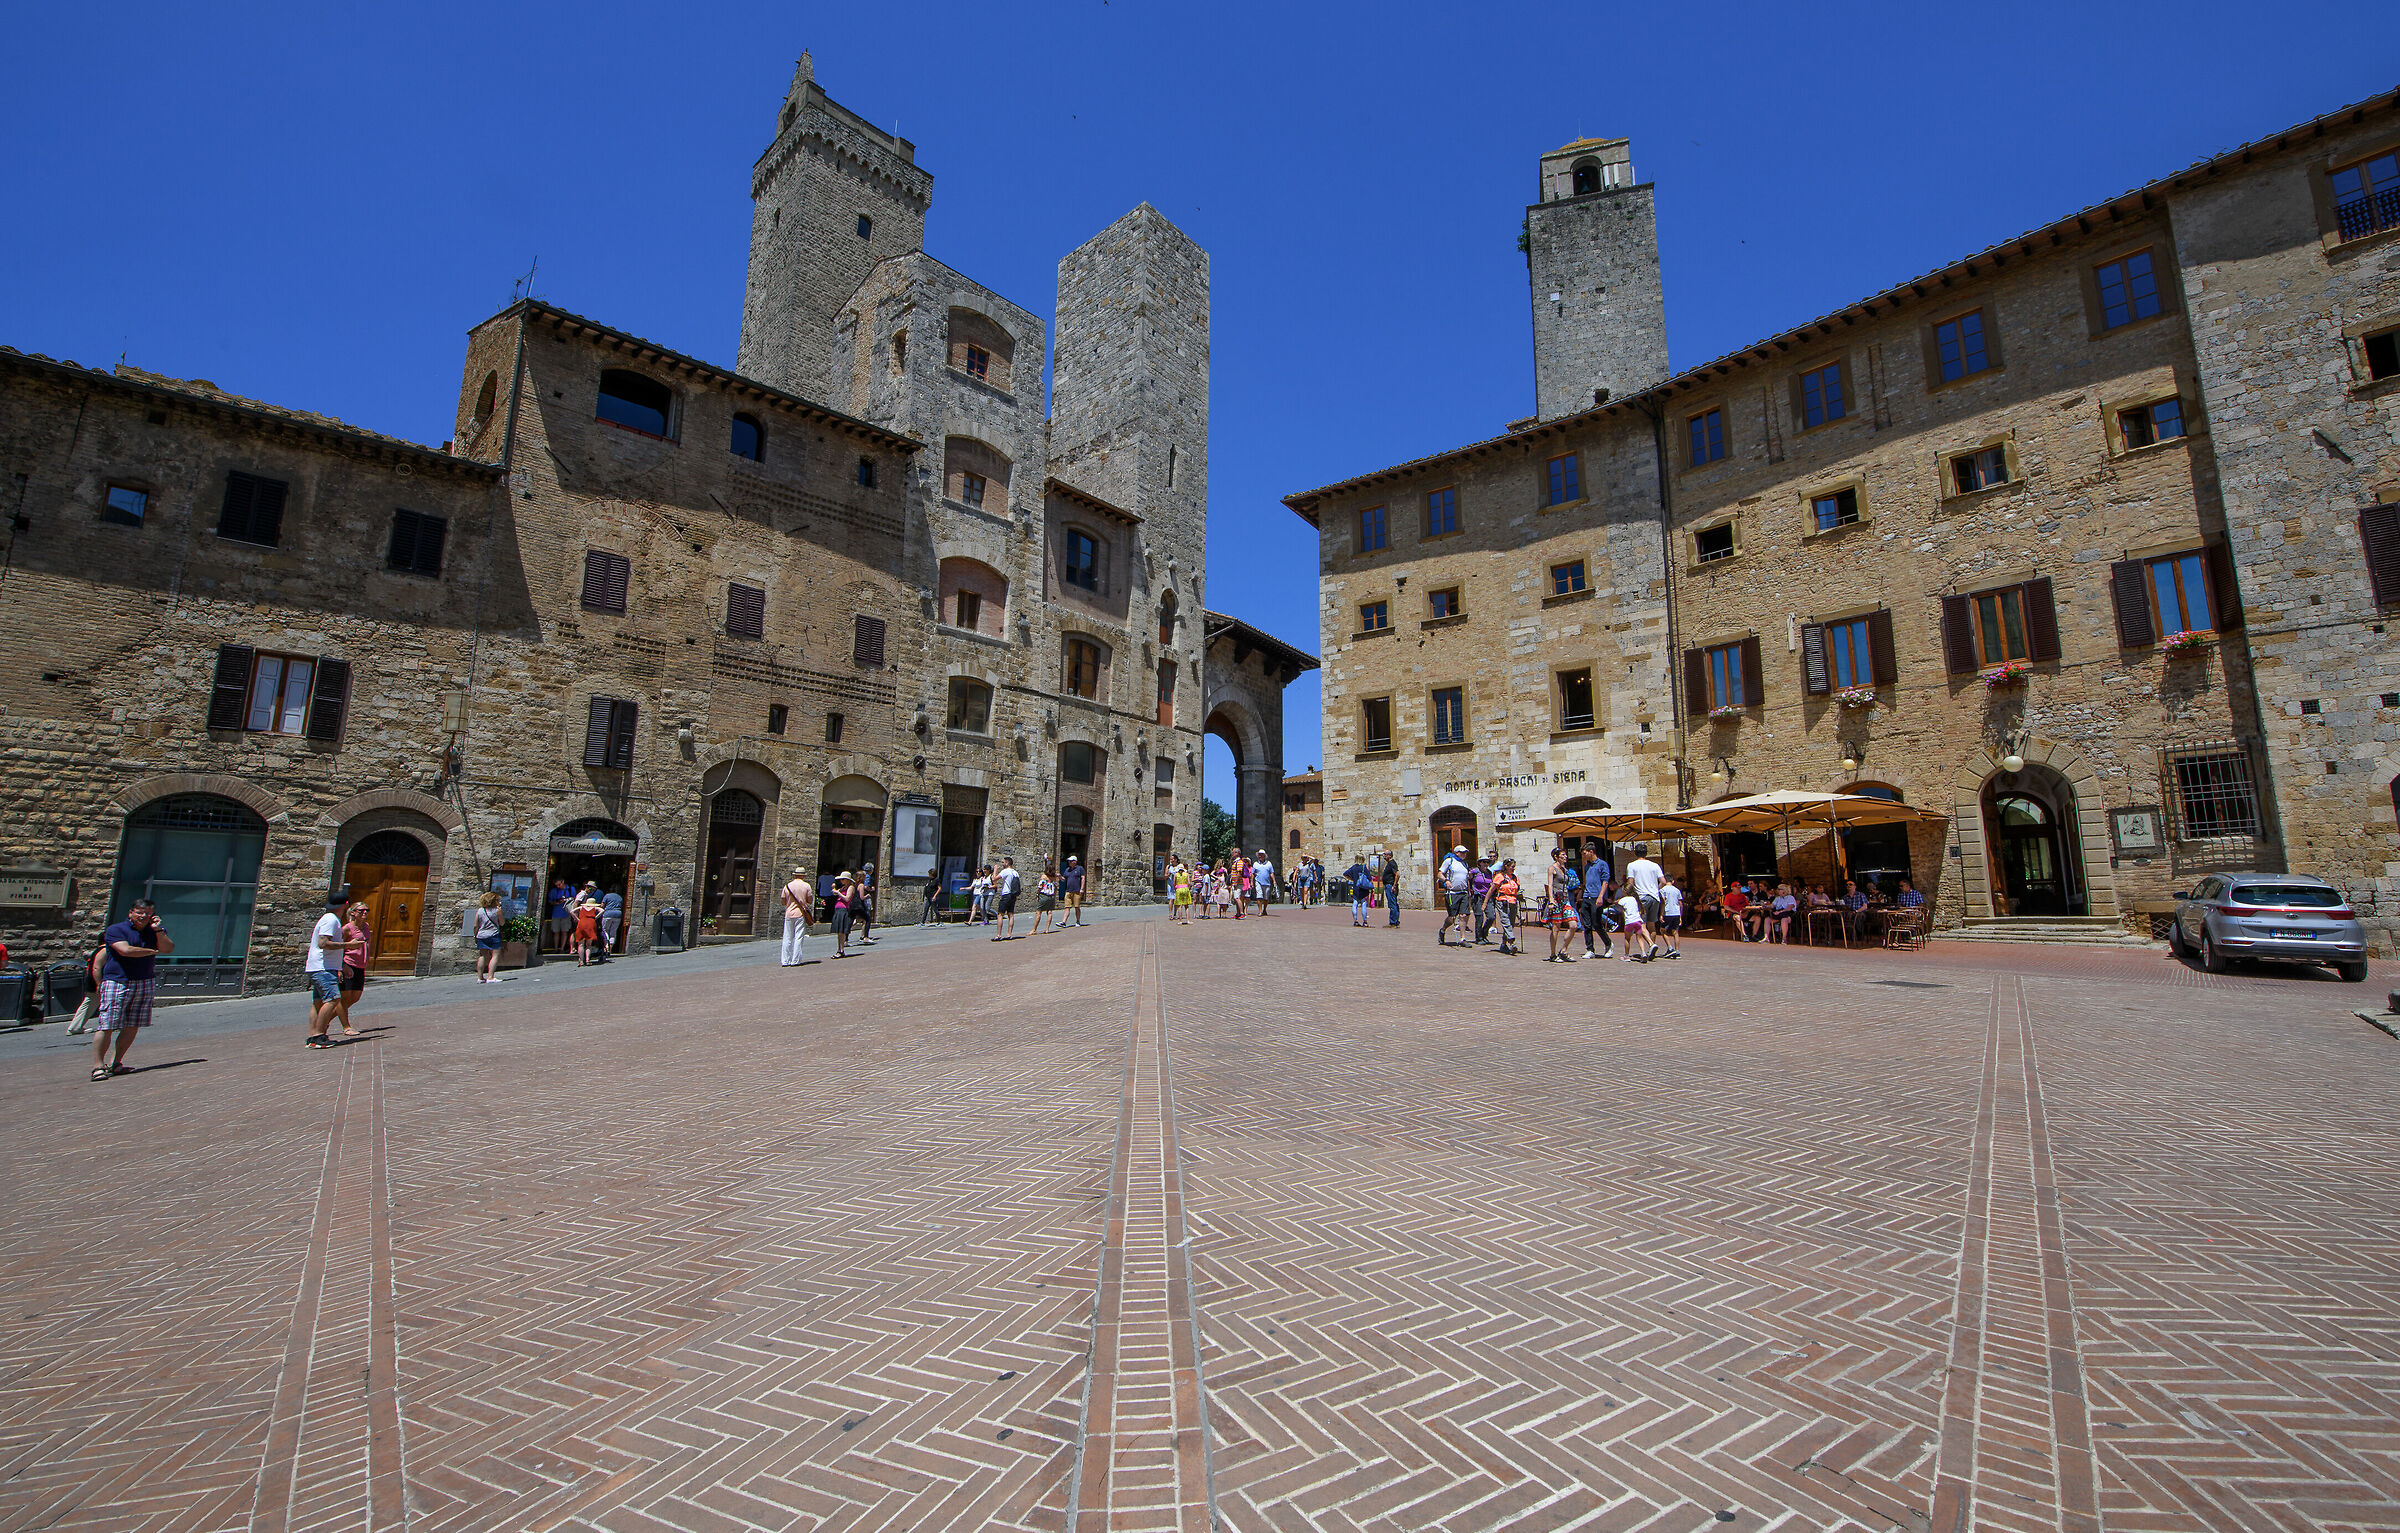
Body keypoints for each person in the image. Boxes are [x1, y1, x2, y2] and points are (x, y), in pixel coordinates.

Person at [90, 897, 171, 1080]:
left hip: (144, 980)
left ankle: (115, 1063)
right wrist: (151, 952)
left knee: (132, 1024)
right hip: (117, 981)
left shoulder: (154, 932)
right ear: (131, 913)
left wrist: (158, 930)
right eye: (140, 912)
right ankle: (97, 1066)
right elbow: (125, 950)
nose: (143, 916)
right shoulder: (116, 930)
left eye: (148, 913)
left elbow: (168, 948)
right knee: (107, 1024)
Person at [304, 894, 347, 1047]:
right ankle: (318, 1036)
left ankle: (312, 1037)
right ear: (345, 905)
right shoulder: (331, 919)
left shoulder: (328, 918)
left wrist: (341, 966)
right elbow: (323, 943)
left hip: (319, 966)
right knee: (332, 999)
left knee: (318, 1002)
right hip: (323, 968)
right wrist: (348, 945)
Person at [335, 900, 371, 1038]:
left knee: (355, 997)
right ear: (353, 912)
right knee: (344, 998)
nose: (365, 913)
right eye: (362, 910)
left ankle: (326, 1018)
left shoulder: (366, 927)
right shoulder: (347, 929)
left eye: (367, 910)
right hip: (348, 964)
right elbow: (338, 947)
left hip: (360, 966)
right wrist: (341, 966)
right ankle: (346, 1027)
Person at [1543, 847, 1581, 962]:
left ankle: (1563, 950)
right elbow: (1550, 885)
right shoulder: (1552, 868)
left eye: (1565, 855)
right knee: (1556, 927)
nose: (1565, 857)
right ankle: (1553, 954)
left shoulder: (1564, 869)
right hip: (1556, 899)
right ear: (1556, 857)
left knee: (1573, 925)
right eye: (1562, 855)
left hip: (1565, 899)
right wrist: (1550, 900)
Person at [1626, 844, 1665, 943]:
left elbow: (1630, 883)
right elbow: (1663, 881)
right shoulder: (1655, 865)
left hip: (1641, 897)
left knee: (1641, 924)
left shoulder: (1632, 865)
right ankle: (1652, 948)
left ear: (1635, 853)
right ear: (1646, 853)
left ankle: (1651, 945)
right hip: (1654, 897)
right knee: (1651, 925)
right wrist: (1656, 889)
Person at [1579, 846, 1614, 959]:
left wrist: (1601, 896)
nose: (1583, 856)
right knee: (1587, 925)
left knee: (1597, 923)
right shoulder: (1587, 866)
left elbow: (1605, 881)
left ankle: (1608, 944)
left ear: (1591, 852)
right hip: (1587, 896)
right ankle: (1590, 949)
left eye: (1585, 853)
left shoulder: (1602, 864)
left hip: (1596, 897)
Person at [1436, 845, 1472, 946]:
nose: (1464, 854)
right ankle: (1443, 930)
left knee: (1463, 915)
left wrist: (1468, 890)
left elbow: (1466, 878)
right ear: (1457, 853)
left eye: (1465, 852)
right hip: (1452, 893)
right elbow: (1440, 874)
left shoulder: (1465, 864)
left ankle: (1463, 938)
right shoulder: (1449, 861)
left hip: (1463, 892)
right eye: (1462, 852)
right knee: (1452, 918)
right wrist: (1446, 880)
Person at [781, 866, 812, 965]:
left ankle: (785, 960)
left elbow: (783, 901)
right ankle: (795, 960)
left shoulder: (787, 886)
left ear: (795, 875)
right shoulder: (806, 886)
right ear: (803, 875)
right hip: (800, 913)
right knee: (799, 937)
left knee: (787, 937)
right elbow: (810, 900)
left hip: (789, 913)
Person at [1491, 858, 1523, 955]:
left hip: (1513, 902)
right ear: (1506, 866)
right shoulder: (1499, 876)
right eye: (1512, 866)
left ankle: (1503, 944)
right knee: (1505, 922)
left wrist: (1520, 896)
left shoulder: (1514, 877)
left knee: (1511, 924)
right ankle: (1512, 943)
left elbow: (1517, 890)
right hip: (1502, 901)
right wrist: (1485, 903)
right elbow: (1492, 890)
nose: (1513, 868)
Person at [472, 891, 505, 982]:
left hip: (481, 935)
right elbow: (502, 923)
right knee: (495, 955)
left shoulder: (480, 911)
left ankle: (480, 977)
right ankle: (490, 977)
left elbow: (475, 925)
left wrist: (476, 935)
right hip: (493, 934)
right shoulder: (497, 910)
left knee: (482, 955)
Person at [1620, 889, 1657, 961]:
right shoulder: (1635, 899)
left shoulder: (1623, 900)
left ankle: (1626, 956)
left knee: (1627, 938)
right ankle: (1643, 953)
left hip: (1629, 921)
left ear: (1624, 891)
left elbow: (1622, 910)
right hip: (1638, 921)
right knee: (1639, 938)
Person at [991, 858, 1022, 939]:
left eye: (1003, 862)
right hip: (1013, 895)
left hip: (1006, 894)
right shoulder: (1015, 872)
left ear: (1007, 863)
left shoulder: (1005, 871)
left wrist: (995, 870)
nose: (1002, 864)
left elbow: (994, 879)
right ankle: (1009, 934)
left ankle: (998, 935)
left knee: (1000, 914)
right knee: (1010, 915)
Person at [1469, 854, 1496, 945]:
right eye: (1484, 862)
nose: (1486, 864)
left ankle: (1484, 933)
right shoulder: (1474, 872)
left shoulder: (1489, 873)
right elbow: (1467, 879)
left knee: (1491, 916)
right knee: (1479, 917)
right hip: (1477, 897)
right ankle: (1479, 938)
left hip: (1488, 897)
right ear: (1479, 863)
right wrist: (1469, 891)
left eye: (1487, 862)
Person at [829, 873, 858, 957]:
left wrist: (838, 893)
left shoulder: (850, 887)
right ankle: (840, 949)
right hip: (838, 909)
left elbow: (847, 898)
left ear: (847, 880)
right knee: (839, 931)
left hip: (844, 910)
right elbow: (837, 894)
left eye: (843, 879)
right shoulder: (843, 887)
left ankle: (841, 950)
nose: (841, 881)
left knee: (842, 931)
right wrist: (835, 891)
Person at [1657, 876, 1684, 958]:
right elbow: (1680, 904)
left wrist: (1661, 914)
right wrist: (1680, 916)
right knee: (1675, 932)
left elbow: (1663, 902)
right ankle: (1677, 951)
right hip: (1676, 912)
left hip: (1667, 912)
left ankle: (1670, 947)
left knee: (1662, 930)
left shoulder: (1663, 890)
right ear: (1672, 881)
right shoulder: (1677, 890)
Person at [1344, 857, 1374, 925]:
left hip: (1356, 887)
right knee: (1363, 903)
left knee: (1355, 903)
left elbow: (1345, 874)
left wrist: (1353, 879)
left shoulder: (1353, 867)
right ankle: (1365, 921)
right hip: (1363, 888)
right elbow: (1369, 878)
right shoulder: (1363, 867)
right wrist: (1372, 886)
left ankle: (1355, 920)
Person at [546, 877, 572, 953]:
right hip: (556, 913)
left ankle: (562, 948)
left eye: (559, 884)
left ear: (563, 881)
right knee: (556, 932)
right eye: (556, 885)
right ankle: (555, 948)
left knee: (565, 931)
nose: (558, 886)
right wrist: (556, 903)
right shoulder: (554, 891)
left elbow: (574, 899)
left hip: (566, 913)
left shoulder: (570, 889)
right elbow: (550, 901)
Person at [854, 864, 878, 944]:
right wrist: (871, 889)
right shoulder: (867, 877)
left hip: (858, 903)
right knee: (866, 917)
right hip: (865, 900)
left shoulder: (857, 884)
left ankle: (862, 935)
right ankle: (865, 936)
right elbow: (865, 887)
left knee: (861, 918)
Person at [1032, 863, 1058, 936]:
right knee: (1049, 912)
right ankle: (1047, 929)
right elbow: (1056, 887)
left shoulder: (1044, 877)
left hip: (1044, 895)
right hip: (1051, 896)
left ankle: (1034, 929)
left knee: (1038, 912)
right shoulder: (1054, 878)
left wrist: (1037, 894)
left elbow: (1040, 886)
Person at [1251, 851, 1276, 916]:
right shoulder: (1255, 864)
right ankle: (1260, 911)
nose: (1260, 856)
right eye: (1259, 855)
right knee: (1259, 896)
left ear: (1264, 856)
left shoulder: (1269, 864)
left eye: (1261, 855)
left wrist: (1274, 881)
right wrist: (1251, 882)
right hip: (1258, 882)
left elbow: (1271, 872)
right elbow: (1253, 873)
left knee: (1266, 898)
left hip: (1267, 883)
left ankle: (1264, 909)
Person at [1380, 851, 1402, 927]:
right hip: (1388, 885)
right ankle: (1395, 921)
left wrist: (1394, 885)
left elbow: (1397, 874)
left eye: (1385, 854)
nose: (1383, 856)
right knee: (1393, 903)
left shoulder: (1392, 863)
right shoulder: (1389, 863)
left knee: (1392, 904)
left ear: (1389, 855)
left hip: (1390, 886)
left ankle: (1393, 922)